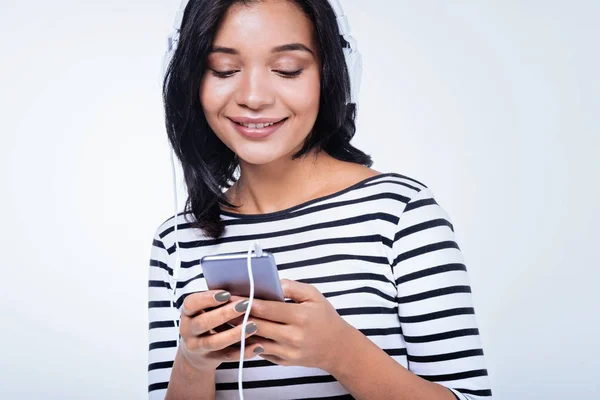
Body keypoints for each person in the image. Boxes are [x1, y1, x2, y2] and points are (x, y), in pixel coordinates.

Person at [148, 0, 492, 399]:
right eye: (224, 69)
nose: (254, 97)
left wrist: (341, 352)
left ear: (328, 75)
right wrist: (193, 363)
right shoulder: (177, 240)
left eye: (287, 69)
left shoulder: (399, 214)